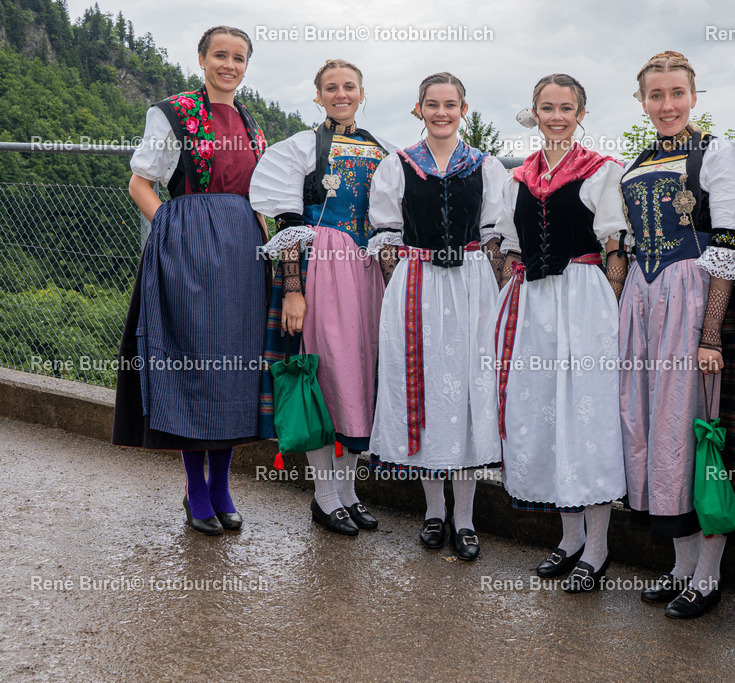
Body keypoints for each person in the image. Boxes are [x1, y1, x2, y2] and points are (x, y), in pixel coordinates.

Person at [619, 51, 735, 617]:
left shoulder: (718, 156)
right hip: (644, 302)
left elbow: (729, 246)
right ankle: (678, 566)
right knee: (651, 427)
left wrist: (709, 336)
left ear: (694, 97)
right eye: (656, 95)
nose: (667, 105)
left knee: (697, 431)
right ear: (643, 101)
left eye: (677, 93)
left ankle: (708, 576)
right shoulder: (640, 161)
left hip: (694, 303)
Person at [112, 26, 267, 536]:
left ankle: (222, 486)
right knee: (193, 365)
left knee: (233, 370)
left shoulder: (249, 120)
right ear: (201, 58)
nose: (229, 64)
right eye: (220, 55)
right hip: (190, 249)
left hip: (243, 253)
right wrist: (172, 231)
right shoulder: (173, 112)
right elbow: (141, 182)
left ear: (247, 65)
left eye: (238, 58)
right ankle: (196, 489)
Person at [493, 74, 628, 592]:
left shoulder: (601, 170)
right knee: (546, 414)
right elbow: (509, 249)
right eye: (547, 107)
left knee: (586, 418)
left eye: (565, 108)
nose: (556, 116)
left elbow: (614, 247)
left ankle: (598, 548)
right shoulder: (518, 177)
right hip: (536, 303)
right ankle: (569, 539)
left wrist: (611, 312)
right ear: (535, 112)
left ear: (580, 113)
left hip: (585, 298)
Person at [250, 59, 394, 536]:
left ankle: (350, 493)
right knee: (321, 378)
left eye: (349, 86)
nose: (341, 94)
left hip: (366, 270)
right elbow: (288, 225)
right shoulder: (300, 148)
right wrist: (293, 291)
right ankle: (324, 495)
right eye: (330, 88)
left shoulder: (384, 152)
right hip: (321, 272)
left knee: (360, 378)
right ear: (318, 96)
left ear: (361, 91)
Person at [367, 72, 505, 561]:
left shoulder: (486, 167)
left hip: (471, 284)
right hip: (417, 283)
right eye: (432, 104)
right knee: (423, 390)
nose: (441, 112)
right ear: (418, 109)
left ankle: (465, 520)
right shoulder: (398, 164)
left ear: (463, 109)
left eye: (450, 104)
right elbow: (386, 234)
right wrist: (401, 284)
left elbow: (495, 237)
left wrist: (489, 289)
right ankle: (433, 513)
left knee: (467, 392)